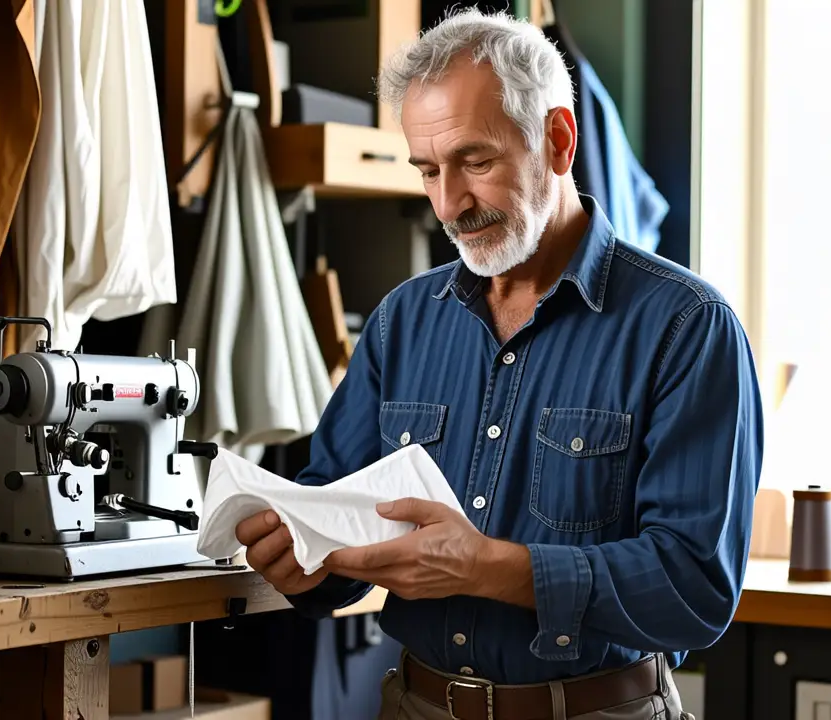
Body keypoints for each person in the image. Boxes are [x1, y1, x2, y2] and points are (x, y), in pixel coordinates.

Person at [235, 8, 762, 719]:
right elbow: (335, 527)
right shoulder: (402, 322)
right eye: (427, 171)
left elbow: (694, 591)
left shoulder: (687, 327)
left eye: (474, 162)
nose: (449, 204)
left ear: (558, 139)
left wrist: (490, 569)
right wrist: (297, 557)